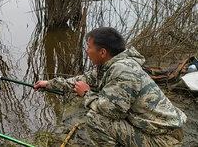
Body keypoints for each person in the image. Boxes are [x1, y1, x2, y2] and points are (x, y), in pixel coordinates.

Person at [34, 27, 187, 146]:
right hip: (152, 129)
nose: (87, 51)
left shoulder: (123, 70)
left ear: (102, 52)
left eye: (89, 47)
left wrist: (87, 94)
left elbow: (113, 113)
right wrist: (49, 84)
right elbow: (81, 80)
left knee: (96, 118)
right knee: (98, 112)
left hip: (164, 140)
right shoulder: (111, 64)